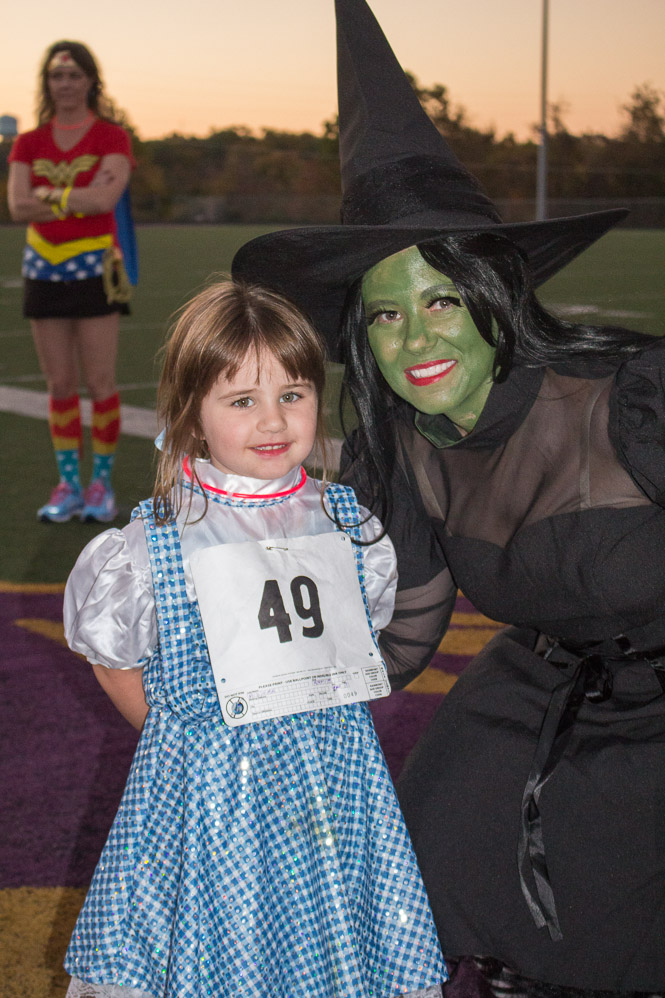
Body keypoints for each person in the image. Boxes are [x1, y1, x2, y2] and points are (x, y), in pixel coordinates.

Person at [231, 1, 665, 995]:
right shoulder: (404, 453)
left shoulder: (631, 401)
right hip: (549, 687)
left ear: (493, 294)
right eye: (385, 315)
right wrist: (261, 697)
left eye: (439, 298)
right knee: (421, 843)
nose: (416, 339)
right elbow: (400, 639)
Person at [62, 279, 446, 998]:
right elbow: (112, 659)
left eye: (292, 394)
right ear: (192, 415)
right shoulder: (156, 542)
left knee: (329, 941)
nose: (273, 420)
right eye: (242, 401)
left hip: (332, 790)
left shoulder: (348, 525)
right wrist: (186, 739)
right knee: (222, 944)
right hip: (211, 799)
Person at [7, 40, 136, 524]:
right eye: (57, 76)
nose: (65, 84)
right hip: (42, 268)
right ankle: (68, 485)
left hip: (95, 269)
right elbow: (17, 206)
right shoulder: (28, 142)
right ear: (47, 83)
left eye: (74, 75)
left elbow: (104, 201)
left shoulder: (111, 137)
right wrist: (75, 196)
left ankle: (101, 485)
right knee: (59, 384)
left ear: (90, 81)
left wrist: (48, 195)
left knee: (100, 382)